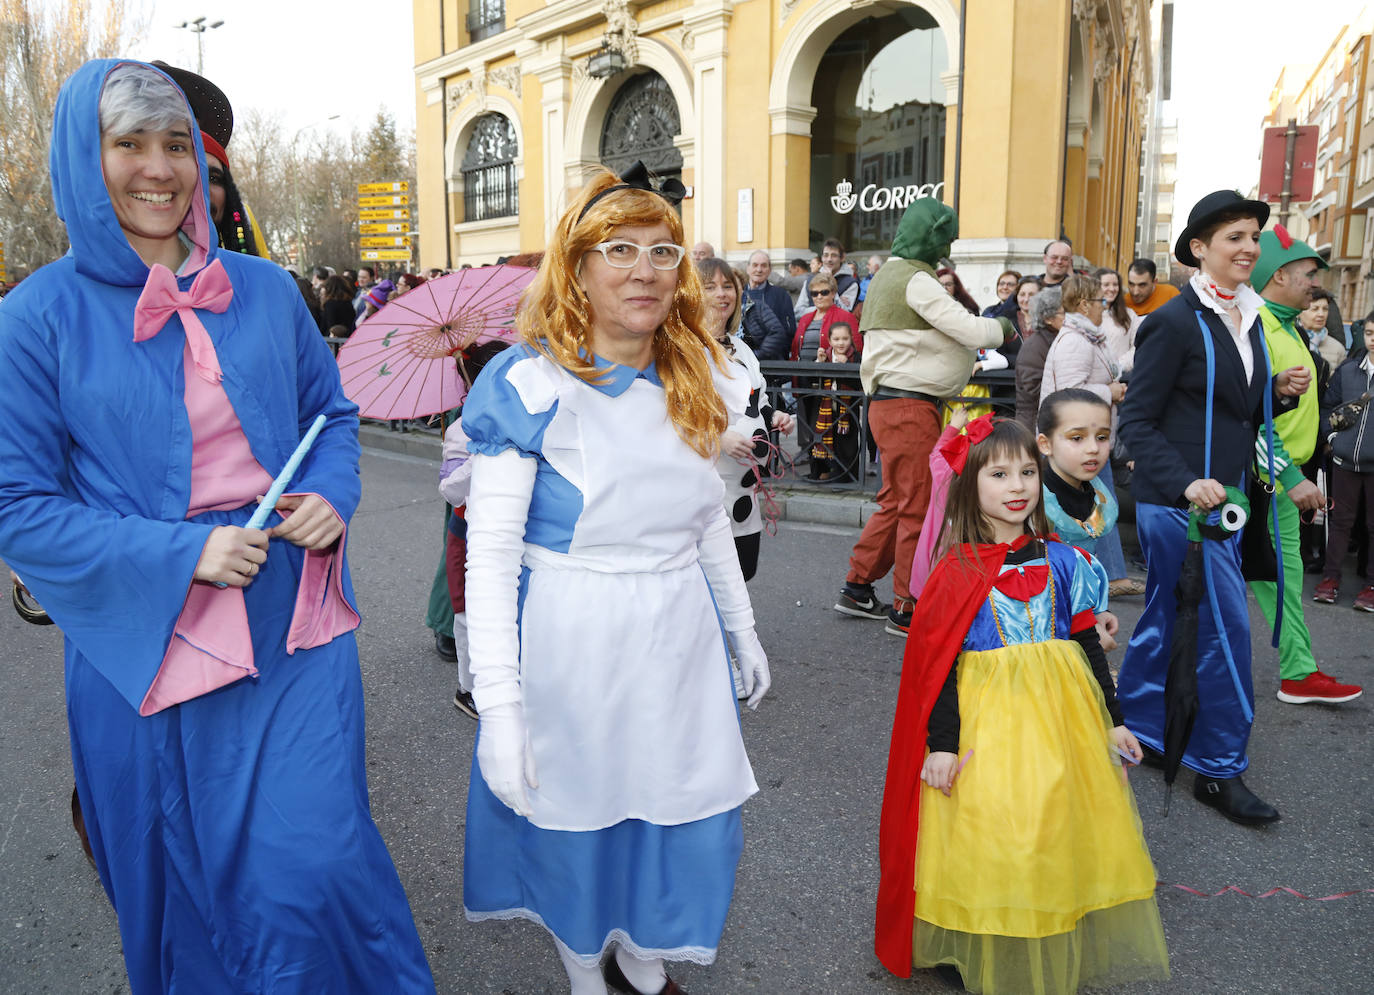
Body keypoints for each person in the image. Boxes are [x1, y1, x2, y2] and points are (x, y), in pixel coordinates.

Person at [0, 59, 435, 992]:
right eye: (129, 145)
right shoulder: (34, 319)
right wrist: (182, 550)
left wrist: (332, 492)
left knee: (311, 860)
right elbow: (18, 508)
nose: (158, 169)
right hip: (145, 637)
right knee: (177, 879)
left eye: (176, 147)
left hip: (290, 620)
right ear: (86, 157)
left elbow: (333, 418)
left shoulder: (267, 291)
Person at [459, 162, 770, 995]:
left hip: (678, 632)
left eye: (664, 249)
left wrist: (739, 625)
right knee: (579, 810)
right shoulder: (528, 384)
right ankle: (582, 970)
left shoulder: (694, 378)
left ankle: (641, 951)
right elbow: (489, 557)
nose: (645, 268)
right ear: (578, 267)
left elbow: (706, 519)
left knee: (678, 797)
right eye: (620, 248)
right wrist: (500, 703)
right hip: (573, 631)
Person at [875, 415, 1168, 992]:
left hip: (1063, 721)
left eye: (1028, 472)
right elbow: (940, 671)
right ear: (968, 487)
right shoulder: (955, 571)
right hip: (988, 730)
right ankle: (976, 941)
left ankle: (1047, 924)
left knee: (1052, 823)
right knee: (991, 830)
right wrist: (941, 744)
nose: (1017, 486)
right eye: (999, 474)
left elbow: (1086, 641)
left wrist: (1114, 722)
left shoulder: (1065, 561)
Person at [1117, 190, 1312, 826]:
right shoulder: (1173, 322)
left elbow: (1230, 411)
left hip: (1220, 500)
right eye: (1234, 237)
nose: (1248, 248)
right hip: (1180, 505)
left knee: (1167, 616)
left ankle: (1142, 729)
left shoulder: (1248, 317)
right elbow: (1137, 424)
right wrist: (1186, 484)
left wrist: (1274, 395)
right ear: (1200, 249)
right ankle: (1219, 769)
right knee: (1225, 631)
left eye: (1254, 237)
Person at [836, 197, 1012, 636]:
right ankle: (906, 605)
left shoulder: (889, 275)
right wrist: (1004, 327)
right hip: (910, 406)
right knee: (916, 506)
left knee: (897, 502)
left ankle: (858, 586)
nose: (946, 248)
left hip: (892, 405)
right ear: (929, 234)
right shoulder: (915, 278)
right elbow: (971, 328)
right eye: (944, 238)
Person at [1246, 227, 1363, 704]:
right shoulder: (1255, 329)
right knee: (1264, 578)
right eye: (1308, 275)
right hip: (1262, 484)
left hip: (1280, 480)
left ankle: (1299, 670)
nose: (1315, 285)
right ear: (1279, 276)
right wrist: (1288, 476)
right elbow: (1248, 419)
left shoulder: (1285, 325)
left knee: (1279, 577)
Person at [1038, 274, 1140, 597]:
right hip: (1077, 439)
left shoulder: (1085, 338)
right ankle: (1100, 576)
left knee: (1101, 504)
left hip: (1085, 437)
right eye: (1100, 302)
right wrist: (1108, 391)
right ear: (1083, 304)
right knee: (1095, 505)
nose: (1104, 307)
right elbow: (1070, 393)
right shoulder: (1074, 341)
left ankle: (1109, 575)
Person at [700, 256, 795, 589]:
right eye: (710, 286)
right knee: (709, 580)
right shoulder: (688, 350)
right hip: (709, 488)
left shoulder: (741, 347)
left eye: (728, 286)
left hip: (747, 489)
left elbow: (760, 399)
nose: (722, 294)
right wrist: (720, 438)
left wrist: (776, 417)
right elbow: (677, 411)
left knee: (743, 573)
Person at [437, 338, 516, 720]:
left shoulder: (522, 413)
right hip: (470, 533)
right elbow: (450, 491)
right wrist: (482, 456)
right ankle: (468, 688)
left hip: (516, 531)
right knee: (469, 613)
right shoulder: (460, 431)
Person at [1318, 321, 1374, 609]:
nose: (1373, 340)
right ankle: (1330, 579)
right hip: (1344, 460)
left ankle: (1370, 586)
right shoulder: (1349, 370)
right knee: (1339, 522)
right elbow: (1327, 406)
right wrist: (1332, 437)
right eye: (1369, 333)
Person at [790, 270, 860, 458]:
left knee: (830, 425)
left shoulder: (845, 316)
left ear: (833, 293)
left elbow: (857, 348)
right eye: (815, 293)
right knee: (809, 422)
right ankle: (814, 462)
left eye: (824, 292)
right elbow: (796, 348)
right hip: (805, 377)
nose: (819, 296)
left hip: (831, 382)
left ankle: (831, 466)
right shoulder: (806, 318)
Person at [809, 318, 862, 482]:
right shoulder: (825, 354)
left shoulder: (855, 356)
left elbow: (859, 381)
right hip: (824, 406)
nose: (841, 343)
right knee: (822, 436)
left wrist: (847, 366)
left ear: (851, 338)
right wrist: (819, 362)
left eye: (845, 339)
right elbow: (813, 381)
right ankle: (822, 471)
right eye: (836, 339)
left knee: (846, 442)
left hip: (846, 408)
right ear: (830, 340)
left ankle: (845, 475)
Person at [1012, 285, 1063, 428]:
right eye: (1064, 313)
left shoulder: (1055, 339)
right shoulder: (1034, 346)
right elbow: (1033, 389)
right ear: (1048, 318)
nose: (1069, 318)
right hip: (1034, 422)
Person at [742, 249, 795, 357]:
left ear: (770, 270)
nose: (759, 269)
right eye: (755, 265)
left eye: (764, 266)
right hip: (743, 357)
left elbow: (789, 329)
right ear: (748, 268)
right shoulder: (738, 293)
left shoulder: (781, 295)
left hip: (773, 358)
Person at [1096, 266, 1140, 374]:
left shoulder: (1129, 315)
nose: (1112, 289)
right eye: (1106, 285)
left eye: (1115, 285)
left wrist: (1118, 366)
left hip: (1122, 375)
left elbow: (1138, 345)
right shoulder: (1087, 314)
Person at [796, 238, 859, 312]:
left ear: (842, 258)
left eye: (834, 255)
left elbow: (844, 312)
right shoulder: (810, 280)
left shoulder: (850, 283)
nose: (829, 259)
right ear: (822, 258)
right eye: (826, 255)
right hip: (812, 323)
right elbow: (798, 312)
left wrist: (830, 282)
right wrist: (821, 309)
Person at [1300, 288, 1348, 370]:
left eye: (1325, 309)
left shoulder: (1337, 349)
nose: (1321, 314)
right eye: (1315, 309)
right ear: (1299, 312)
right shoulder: (1290, 340)